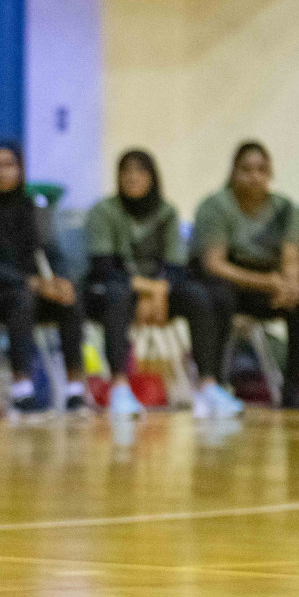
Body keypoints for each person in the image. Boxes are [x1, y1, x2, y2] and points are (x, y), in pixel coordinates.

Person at [83, 149, 219, 418]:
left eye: (140, 171)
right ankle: (120, 387)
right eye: (126, 171)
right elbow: (104, 268)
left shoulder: (166, 212)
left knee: (199, 296)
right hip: (113, 290)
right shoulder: (103, 211)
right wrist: (151, 290)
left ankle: (208, 386)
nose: (132, 177)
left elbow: (176, 268)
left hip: (157, 293)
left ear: (152, 177)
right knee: (117, 294)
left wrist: (159, 292)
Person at [191, 141, 299, 410]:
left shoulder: (284, 208)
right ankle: (215, 383)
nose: (254, 176)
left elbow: (292, 258)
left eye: (262, 169)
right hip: (229, 284)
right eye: (246, 169)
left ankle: (293, 385)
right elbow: (214, 264)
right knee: (218, 297)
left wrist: (292, 285)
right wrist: (267, 282)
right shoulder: (216, 206)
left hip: (267, 286)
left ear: (270, 174)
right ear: (233, 172)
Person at [0, 142, 86, 413]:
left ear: (21, 170)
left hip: (33, 288)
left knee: (69, 297)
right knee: (22, 298)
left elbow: (52, 251)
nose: (2, 172)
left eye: (10, 165)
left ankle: (75, 389)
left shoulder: (34, 206)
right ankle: (21, 387)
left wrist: (62, 280)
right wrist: (34, 283)